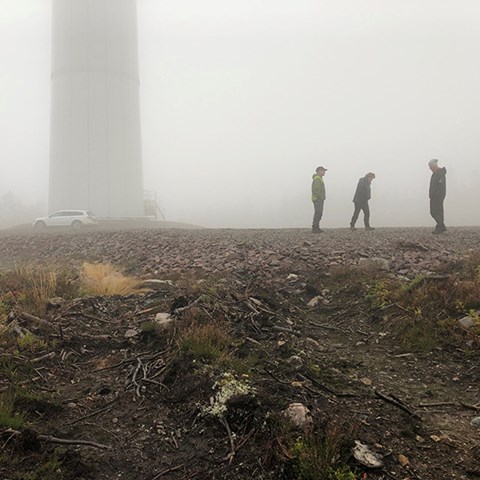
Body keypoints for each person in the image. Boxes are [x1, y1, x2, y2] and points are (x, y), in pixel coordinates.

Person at [428, 159, 447, 234]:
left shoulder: (440, 174)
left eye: (430, 167)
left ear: (434, 166)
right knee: (433, 211)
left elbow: (441, 186)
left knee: (437, 211)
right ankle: (441, 226)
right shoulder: (435, 174)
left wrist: (437, 195)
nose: (430, 168)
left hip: (438, 196)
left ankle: (440, 226)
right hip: (434, 196)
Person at [311, 166, 327, 233]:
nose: (324, 172)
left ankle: (316, 227)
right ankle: (315, 228)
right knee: (318, 212)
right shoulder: (317, 178)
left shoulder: (319, 178)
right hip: (317, 198)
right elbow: (316, 189)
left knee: (319, 212)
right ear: (319, 171)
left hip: (318, 198)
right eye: (323, 171)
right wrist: (321, 197)